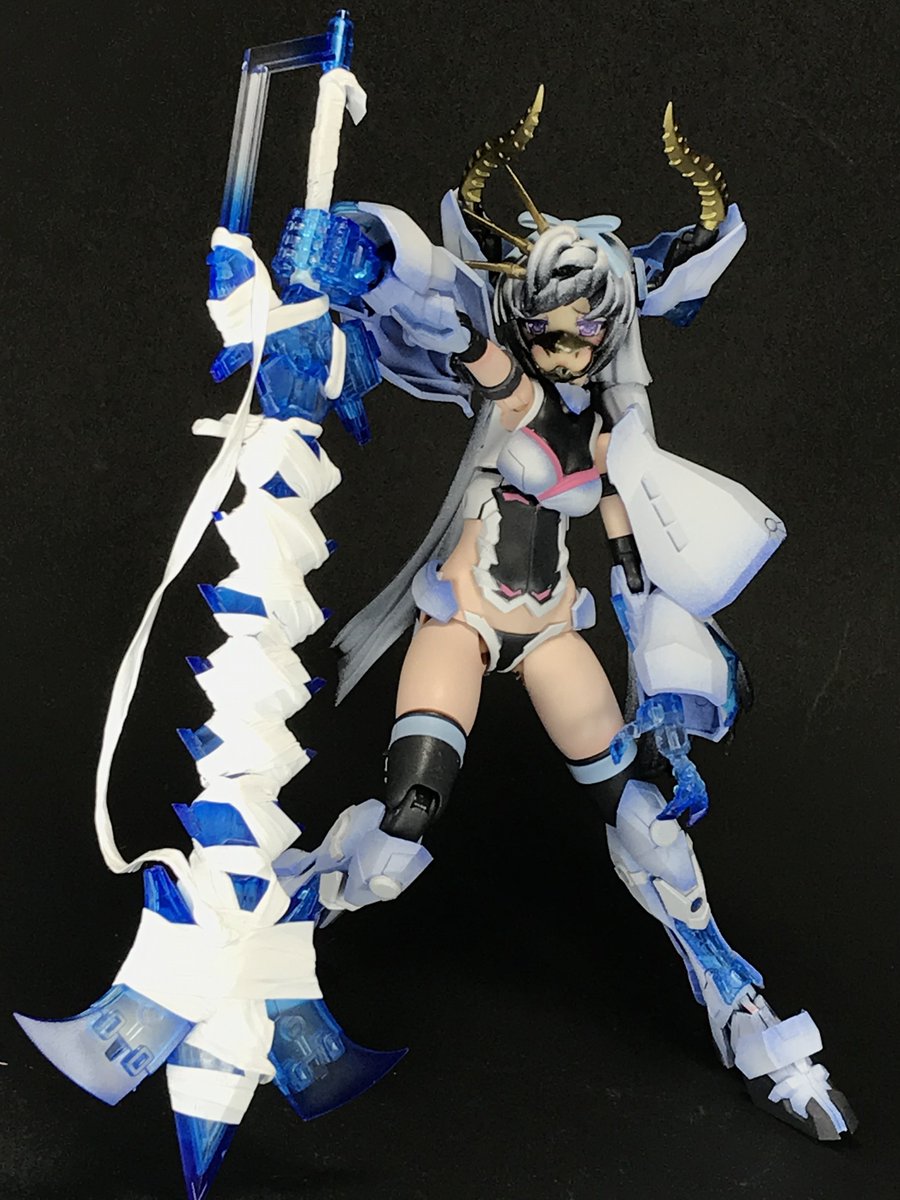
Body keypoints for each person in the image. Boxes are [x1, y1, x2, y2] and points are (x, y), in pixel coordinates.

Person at [299, 89, 857, 1142]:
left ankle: (745, 1012)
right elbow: (448, 313)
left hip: (553, 627)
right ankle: (261, 944)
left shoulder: (615, 442)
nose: (561, 349)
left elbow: (639, 574)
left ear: (611, 328)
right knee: (405, 819)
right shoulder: (510, 385)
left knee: (648, 826)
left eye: (581, 332)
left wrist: (669, 704)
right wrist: (370, 255)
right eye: (546, 330)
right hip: (466, 616)